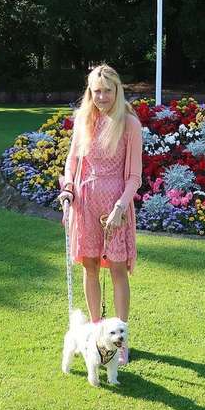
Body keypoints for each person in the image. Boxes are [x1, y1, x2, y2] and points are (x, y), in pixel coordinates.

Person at [58, 64, 143, 365]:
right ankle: (97, 336)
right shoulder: (85, 119)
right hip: (85, 203)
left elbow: (135, 176)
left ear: (117, 90)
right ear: (90, 93)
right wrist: (68, 187)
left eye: (108, 91)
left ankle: (121, 343)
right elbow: (72, 161)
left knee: (118, 270)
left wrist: (121, 208)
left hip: (115, 207)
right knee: (90, 266)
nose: (102, 97)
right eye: (97, 92)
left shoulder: (130, 124)